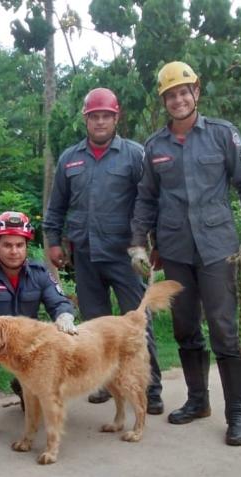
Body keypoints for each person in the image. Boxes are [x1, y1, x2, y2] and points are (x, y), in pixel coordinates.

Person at [129, 61, 241, 446]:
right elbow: (146, 198)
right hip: (175, 250)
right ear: (164, 101)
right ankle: (198, 400)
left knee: (223, 328)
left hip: (217, 248)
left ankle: (237, 413)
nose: (178, 100)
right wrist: (138, 243)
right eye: (170, 95)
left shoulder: (223, 135)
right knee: (185, 327)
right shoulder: (155, 146)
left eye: (183, 92)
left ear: (196, 92)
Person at [43, 87, 164, 414]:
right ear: (86, 120)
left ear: (116, 118)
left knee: (137, 323)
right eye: (94, 116)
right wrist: (53, 242)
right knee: (95, 327)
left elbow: (150, 202)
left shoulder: (135, 155)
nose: (100, 122)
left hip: (125, 256)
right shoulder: (70, 158)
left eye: (106, 116)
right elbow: (56, 207)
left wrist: (155, 244)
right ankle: (105, 384)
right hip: (84, 255)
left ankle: (150, 389)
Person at [0, 211, 78, 444]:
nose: (14, 251)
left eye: (19, 245)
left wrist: (64, 316)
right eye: (7, 245)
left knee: (56, 344)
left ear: (26, 246)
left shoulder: (39, 273)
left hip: (28, 344)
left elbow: (58, 302)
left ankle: (25, 388)